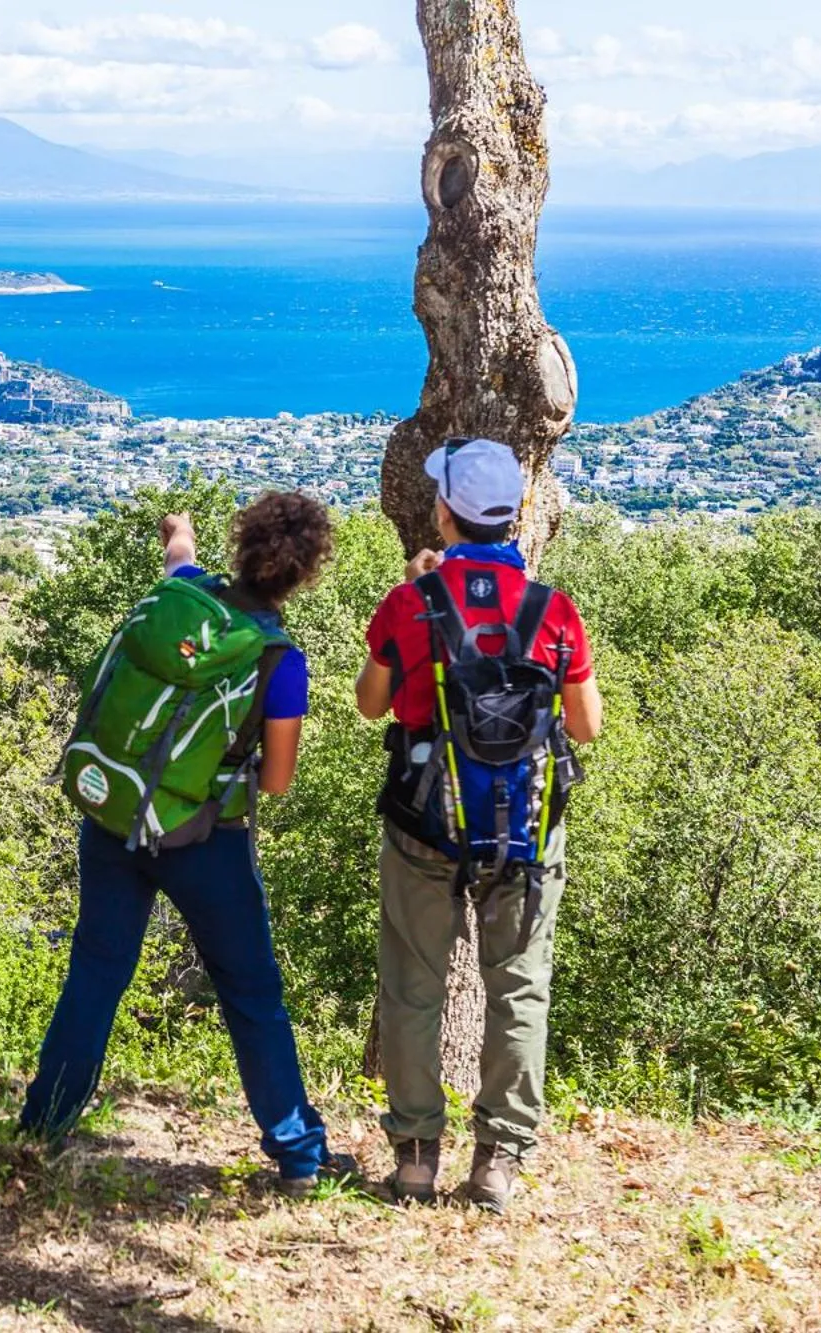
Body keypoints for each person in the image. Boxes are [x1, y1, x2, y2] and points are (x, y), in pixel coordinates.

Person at [22, 492, 358, 1197]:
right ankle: (298, 1153)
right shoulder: (278, 660)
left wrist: (179, 531)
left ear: (239, 550)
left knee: (96, 970)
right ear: (303, 577)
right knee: (251, 991)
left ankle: (41, 1127)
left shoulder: (180, 594)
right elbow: (278, 781)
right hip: (205, 839)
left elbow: (179, 553)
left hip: (113, 814)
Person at [354, 438, 603, 1214]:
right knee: (518, 990)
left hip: (426, 824)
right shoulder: (554, 611)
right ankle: (497, 1160)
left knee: (413, 988)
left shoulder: (410, 604)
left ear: (445, 511)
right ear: (518, 514)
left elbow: (370, 702)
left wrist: (418, 602)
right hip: (524, 832)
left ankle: (418, 1158)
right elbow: (586, 726)